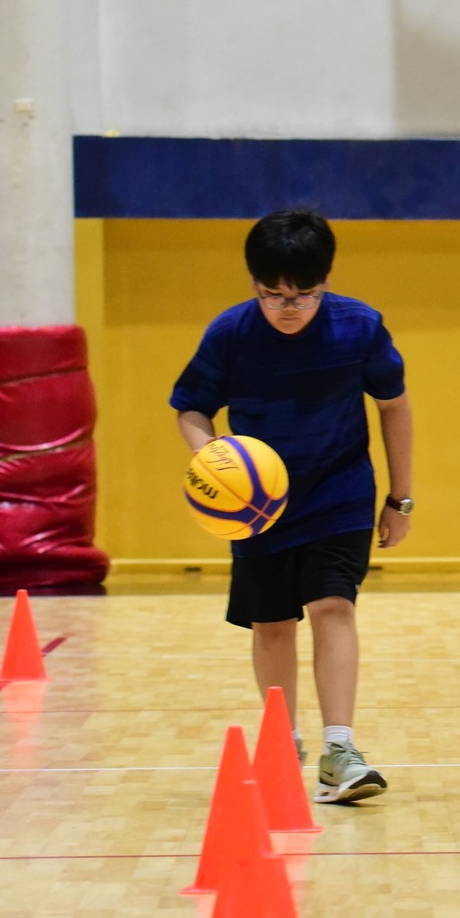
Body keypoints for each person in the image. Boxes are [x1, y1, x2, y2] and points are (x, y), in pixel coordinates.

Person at [171, 208, 415, 803]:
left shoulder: (359, 327)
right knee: (273, 624)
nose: (290, 307)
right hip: (259, 506)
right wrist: (212, 458)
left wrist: (400, 498)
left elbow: (393, 406)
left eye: (304, 295)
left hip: (339, 491)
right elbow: (191, 407)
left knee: (334, 607)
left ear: (325, 281)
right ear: (253, 283)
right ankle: (282, 741)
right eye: (274, 295)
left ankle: (340, 752)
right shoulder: (230, 334)